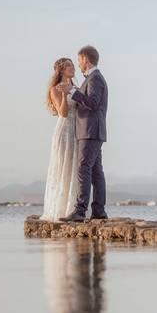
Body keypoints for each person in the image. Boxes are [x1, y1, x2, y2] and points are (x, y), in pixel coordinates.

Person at [59, 45, 108, 222]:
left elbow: (93, 103)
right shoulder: (93, 78)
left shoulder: (95, 79)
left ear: (86, 60)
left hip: (90, 130)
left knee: (84, 168)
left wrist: (72, 92)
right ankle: (98, 211)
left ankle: (80, 211)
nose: (78, 64)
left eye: (79, 60)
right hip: (92, 130)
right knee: (95, 171)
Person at [39, 57, 79, 221]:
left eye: (72, 65)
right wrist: (64, 95)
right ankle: (60, 210)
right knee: (63, 166)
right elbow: (62, 113)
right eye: (69, 66)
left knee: (75, 166)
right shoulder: (55, 89)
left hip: (77, 131)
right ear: (62, 70)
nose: (73, 68)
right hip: (64, 130)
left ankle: (75, 209)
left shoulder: (76, 87)